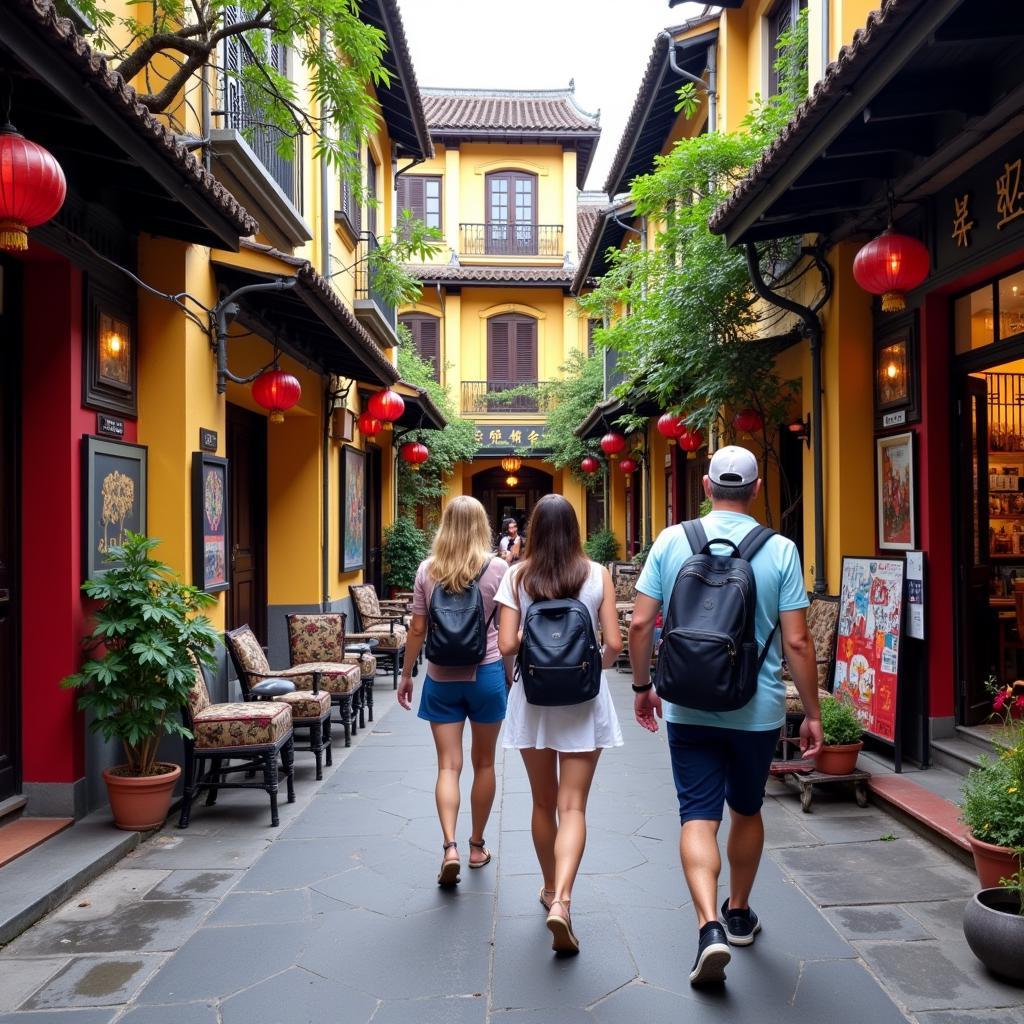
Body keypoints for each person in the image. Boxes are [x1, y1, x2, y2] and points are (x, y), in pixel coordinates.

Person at [628, 445, 822, 986]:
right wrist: (811, 714)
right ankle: (738, 912)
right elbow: (799, 641)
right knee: (747, 808)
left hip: (687, 703)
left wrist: (644, 686)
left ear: (707, 487)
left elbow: (641, 625)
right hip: (756, 710)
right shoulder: (780, 549)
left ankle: (708, 925)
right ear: (757, 490)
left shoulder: (672, 540)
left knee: (697, 815)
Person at [496, 493, 622, 954]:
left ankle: (549, 887)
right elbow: (613, 642)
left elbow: (507, 645)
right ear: (574, 530)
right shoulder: (597, 576)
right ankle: (564, 901)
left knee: (541, 803)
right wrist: (589, 663)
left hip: (533, 700)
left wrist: (540, 644)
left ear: (534, 531)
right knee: (573, 807)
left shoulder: (516, 576)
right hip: (584, 702)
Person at [397, 496, 510, 888]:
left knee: (448, 766)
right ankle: (477, 846)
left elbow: (416, 629)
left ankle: (450, 847)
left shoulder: (428, 570)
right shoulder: (498, 568)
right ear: (482, 527)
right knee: (484, 765)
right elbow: (509, 632)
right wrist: (510, 676)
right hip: (487, 674)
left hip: (442, 677)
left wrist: (408, 672)